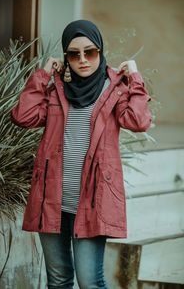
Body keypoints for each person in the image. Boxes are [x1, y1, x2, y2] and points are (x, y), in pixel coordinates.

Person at [11, 20, 152, 289]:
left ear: (100, 50)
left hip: (92, 201)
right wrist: (42, 75)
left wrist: (134, 77)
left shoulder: (114, 89)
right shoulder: (56, 89)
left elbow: (138, 120)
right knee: (59, 280)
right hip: (51, 200)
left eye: (91, 52)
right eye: (74, 54)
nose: (83, 60)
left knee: (90, 282)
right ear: (66, 56)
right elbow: (23, 116)